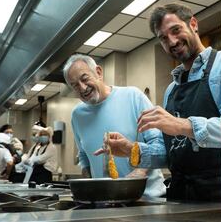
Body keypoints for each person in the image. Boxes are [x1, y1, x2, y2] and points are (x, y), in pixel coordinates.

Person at [103, 3, 221, 202]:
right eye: (163, 38)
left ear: (193, 24)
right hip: (181, 198)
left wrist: (183, 125)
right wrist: (131, 149)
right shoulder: (172, 90)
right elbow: (171, 153)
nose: (172, 41)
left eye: (176, 30)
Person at [62, 54, 166, 197]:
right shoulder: (77, 115)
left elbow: (158, 143)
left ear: (98, 72)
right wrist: (87, 185)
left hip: (147, 198)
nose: (82, 88)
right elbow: (84, 156)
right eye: (75, 85)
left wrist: (139, 172)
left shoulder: (133, 96)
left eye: (84, 79)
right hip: (105, 202)